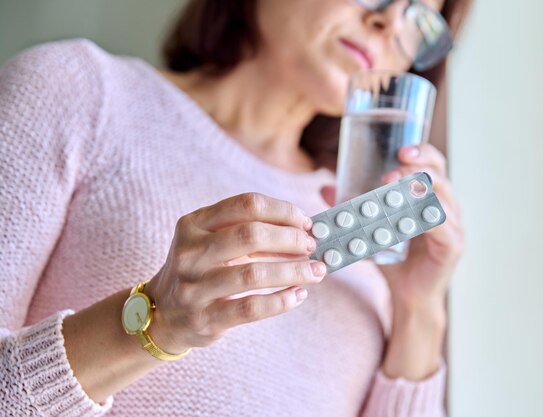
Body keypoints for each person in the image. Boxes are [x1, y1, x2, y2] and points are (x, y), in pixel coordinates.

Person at [0, 0, 470, 415]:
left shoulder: (364, 228)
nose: (388, 22)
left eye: (420, 18)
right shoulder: (79, 93)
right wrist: (153, 323)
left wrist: (418, 309)